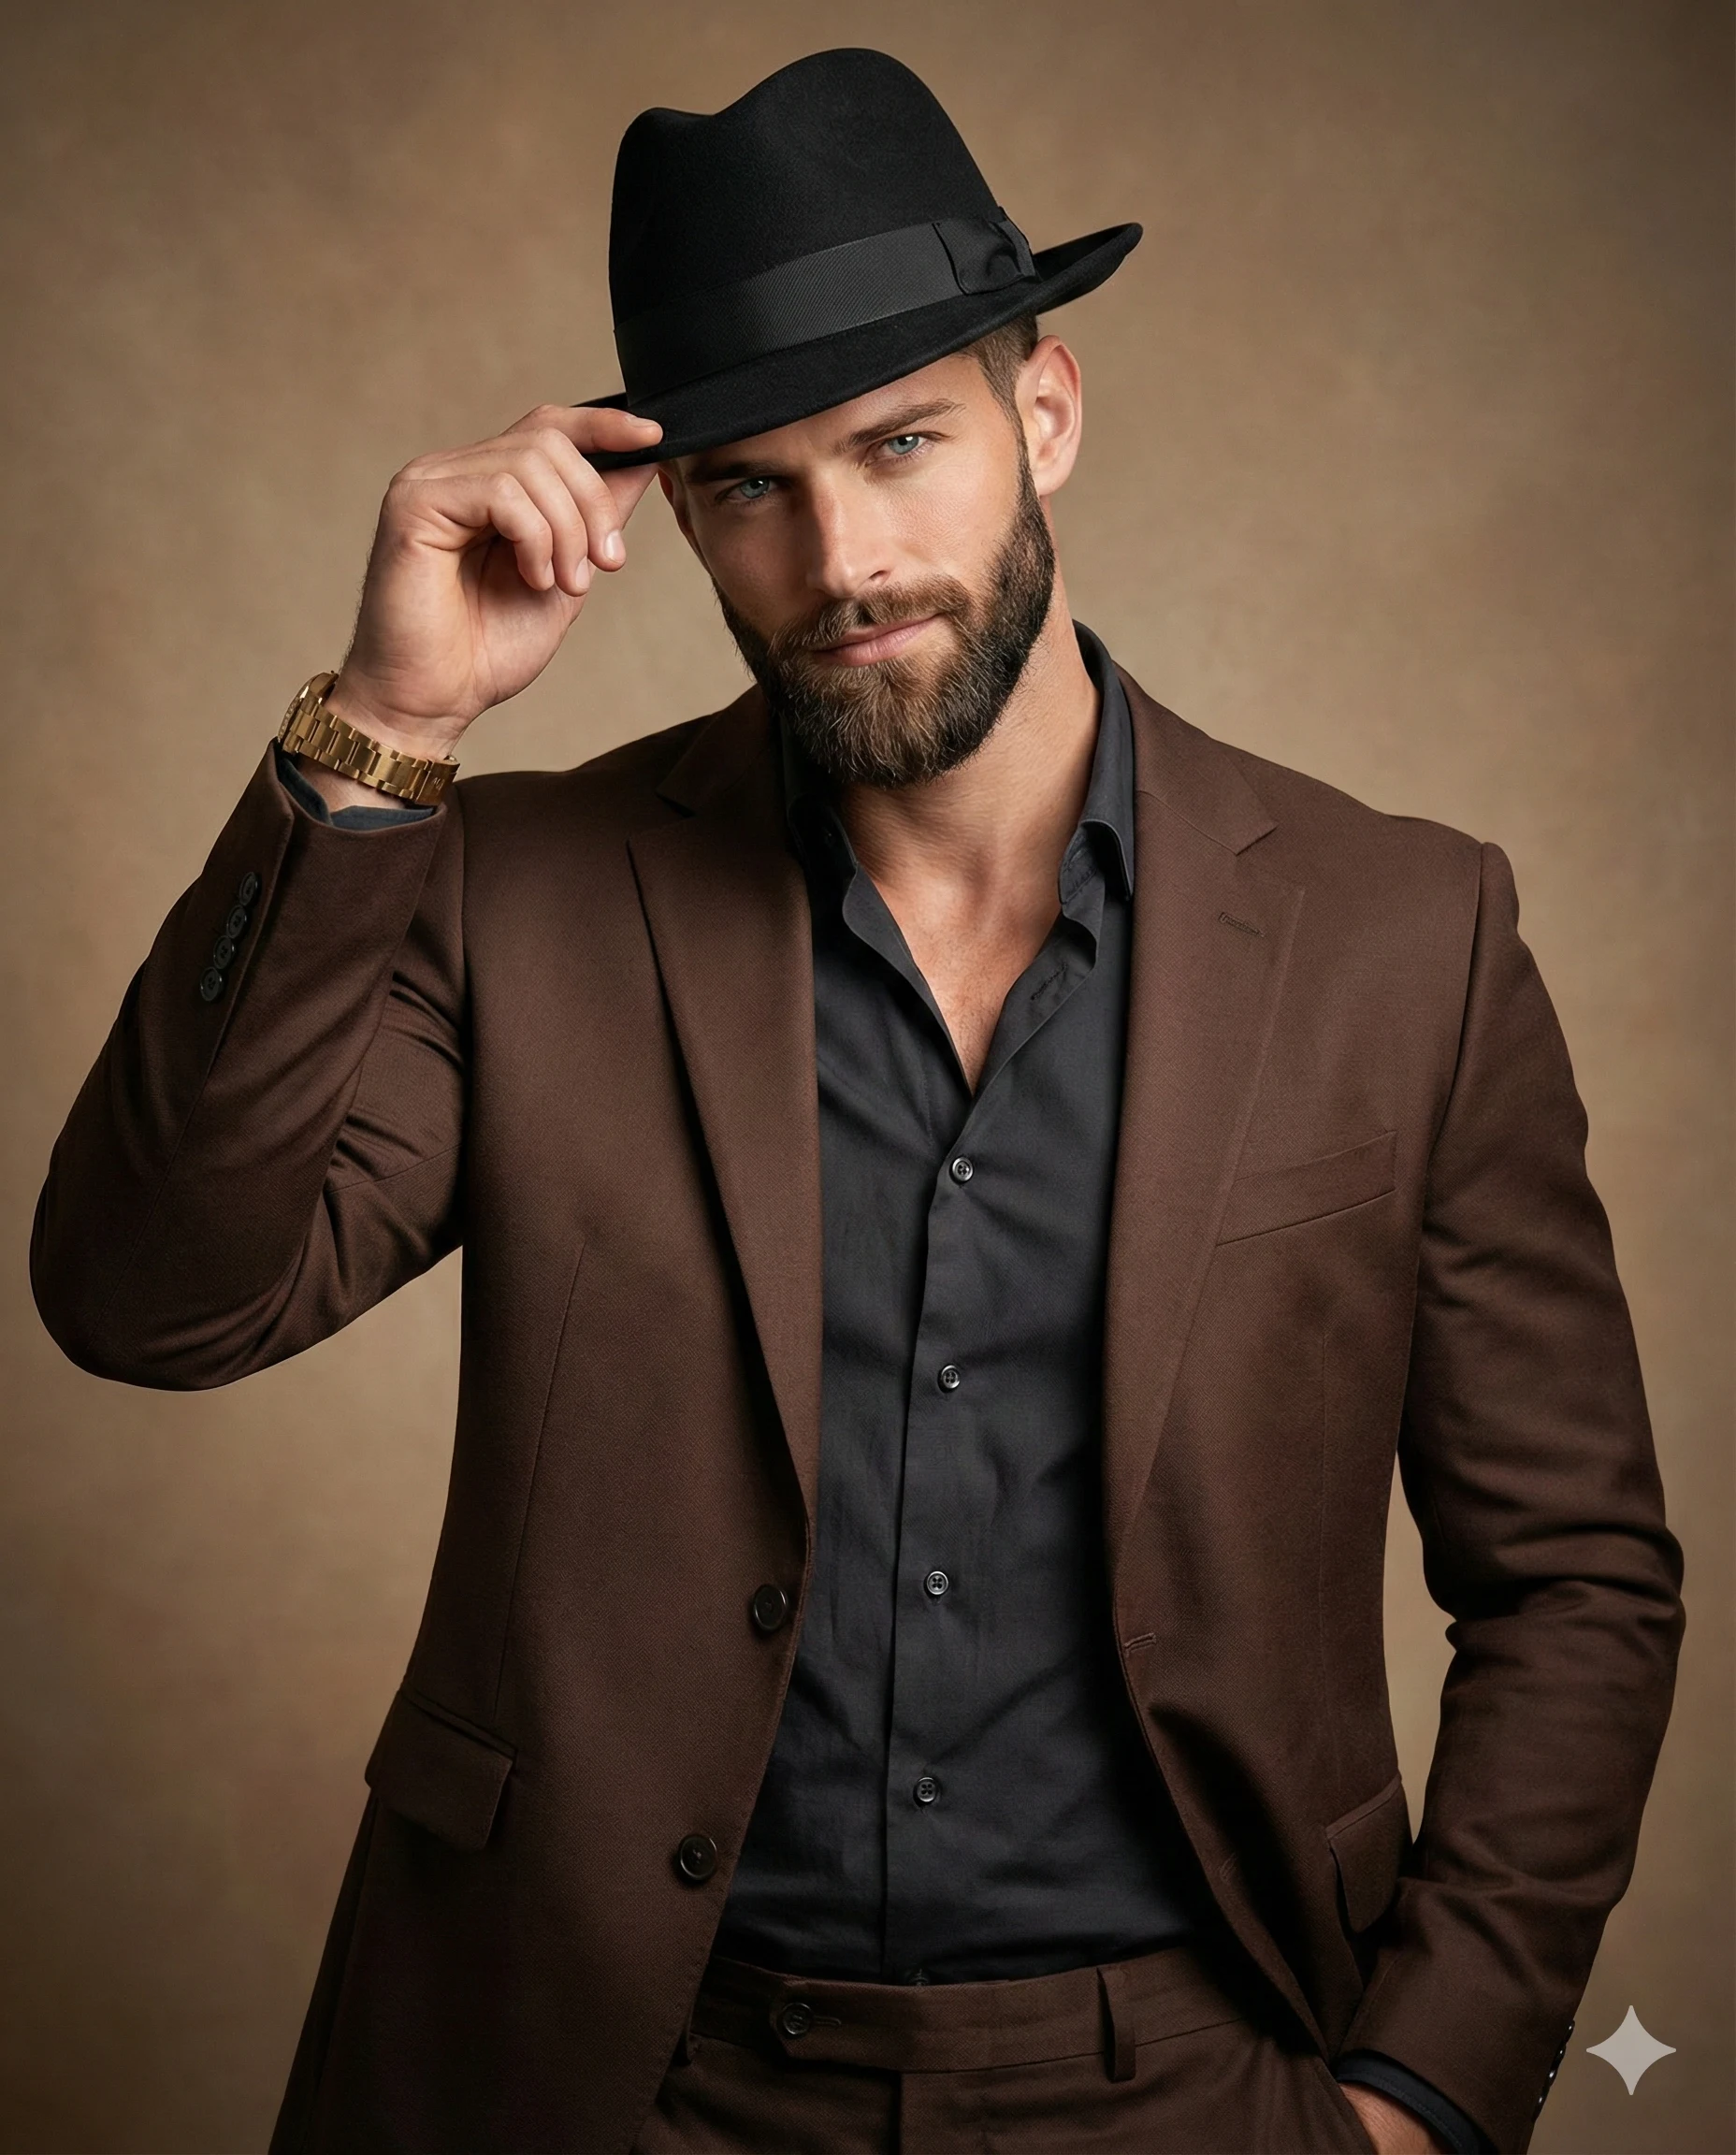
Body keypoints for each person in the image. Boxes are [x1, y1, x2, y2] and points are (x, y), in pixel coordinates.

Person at [31, 47, 1683, 2155]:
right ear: (682, 519)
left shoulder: (1402, 935)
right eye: (753, 485)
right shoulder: (516, 895)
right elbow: (146, 1299)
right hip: (612, 2081)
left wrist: (1418, 2096)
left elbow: (1573, 1582)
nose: (845, 556)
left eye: (902, 444)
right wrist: (382, 726)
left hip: (1194, 2081)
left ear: (1046, 415)